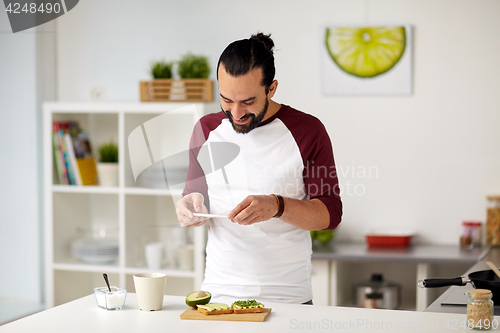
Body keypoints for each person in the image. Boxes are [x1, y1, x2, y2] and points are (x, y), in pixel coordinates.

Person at [176, 32, 342, 305]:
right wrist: (188, 205)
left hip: (288, 298)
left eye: (248, 101)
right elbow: (194, 196)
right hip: (218, 295)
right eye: (226, 100)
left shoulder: (307, 131)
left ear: (271, 88)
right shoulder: (206, 129)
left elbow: (331, 213)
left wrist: (277, 206)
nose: (237, 113)